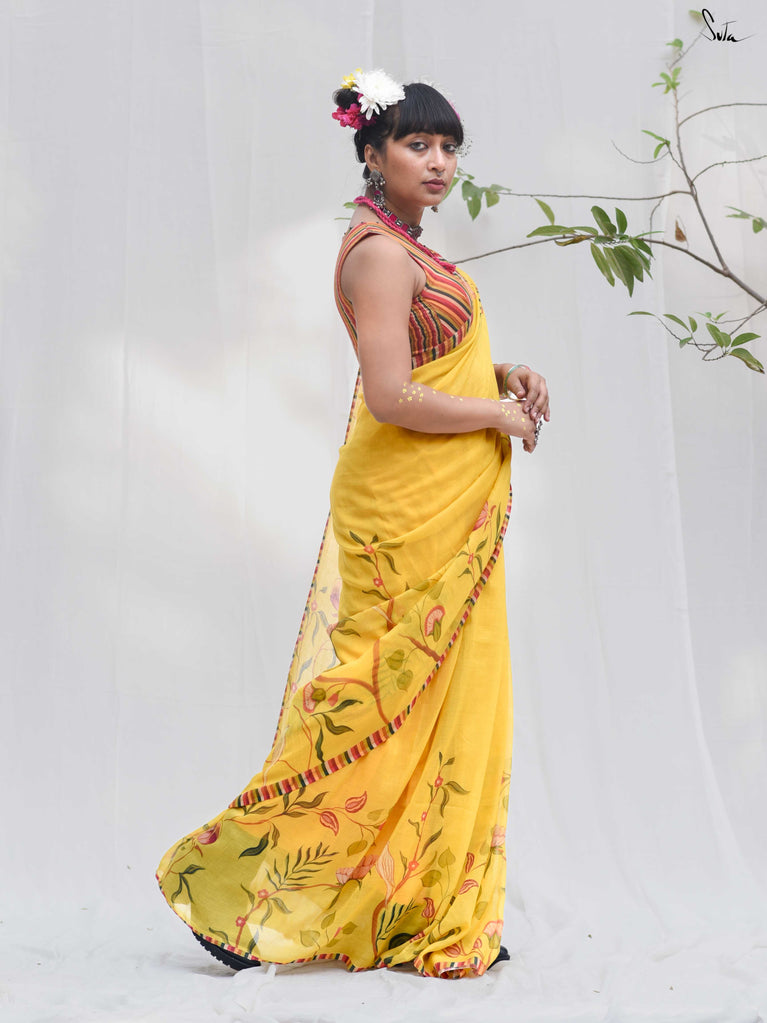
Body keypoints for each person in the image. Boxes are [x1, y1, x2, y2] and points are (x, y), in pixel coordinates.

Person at [155, 68, 550, 980]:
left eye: (449, 147)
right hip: (404, 508)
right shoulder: (377, 254)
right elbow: (391, 395)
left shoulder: (412, 250)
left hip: (442, 499)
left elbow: (426, 359)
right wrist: (497, 417)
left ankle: (420, 904)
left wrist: (500, 374)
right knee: (376, 704)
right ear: (372, 152)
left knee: (444, 701)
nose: (438, 162)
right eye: (417, 144)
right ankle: (231, 887)